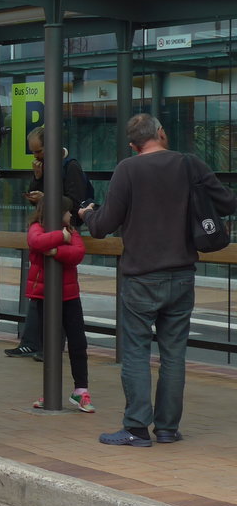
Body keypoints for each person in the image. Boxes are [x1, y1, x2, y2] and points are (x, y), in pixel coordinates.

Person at [79, 113, 237, 447]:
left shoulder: (127, 169)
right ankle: (167, 428)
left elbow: (102, 225)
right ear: (161, 133)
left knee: (136, 353)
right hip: (182, 276)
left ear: (132, 144)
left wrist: (86, 213)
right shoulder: (189, 164)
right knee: (174, 354)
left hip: (141, 278)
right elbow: (228, 202)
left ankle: (136, 428)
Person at [6, 125, 90, 358]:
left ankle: (49, 346)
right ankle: (33, 342)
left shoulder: (70, 166)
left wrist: (47, 198)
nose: (36, 157)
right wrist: (37, 180)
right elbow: (38, 201)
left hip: (63, 226)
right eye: (33, 152)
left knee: (58, 291)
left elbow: (74, 201)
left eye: (39, 151)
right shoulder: (44, 167)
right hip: (48, 228)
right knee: (40, 290)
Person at [23, 195, 94, 413]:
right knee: (51, 344)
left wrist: (56, 250)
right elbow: (36, 242)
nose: (71, 214)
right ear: (56, 212)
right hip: (46, 296)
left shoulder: (71, 232)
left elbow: (77, 253)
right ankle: (50, 389)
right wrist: (59, 237)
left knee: (78, 342)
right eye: (67, 210)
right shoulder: (37, 227)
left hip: (70, 296)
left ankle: (80, 390)